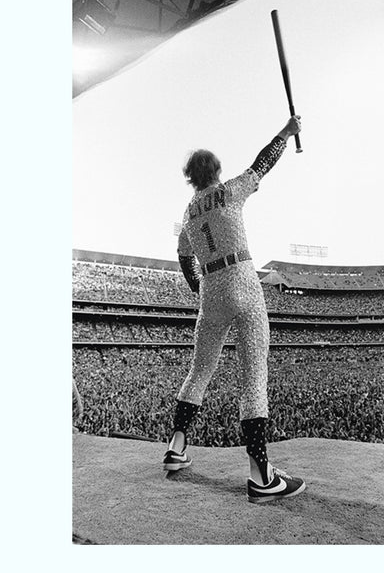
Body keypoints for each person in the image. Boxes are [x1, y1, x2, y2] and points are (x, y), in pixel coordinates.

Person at [163, 115, 305, 504]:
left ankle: (176, 448)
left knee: (199, 370)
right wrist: (286, 132)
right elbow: (263, 164)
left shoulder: (189, 216)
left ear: (191, 178)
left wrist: (200, 290)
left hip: (211, 290)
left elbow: (183, 257)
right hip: (242, 280)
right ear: (217, 171)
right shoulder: (229, 192)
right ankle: (261, 476)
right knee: (253, 376)